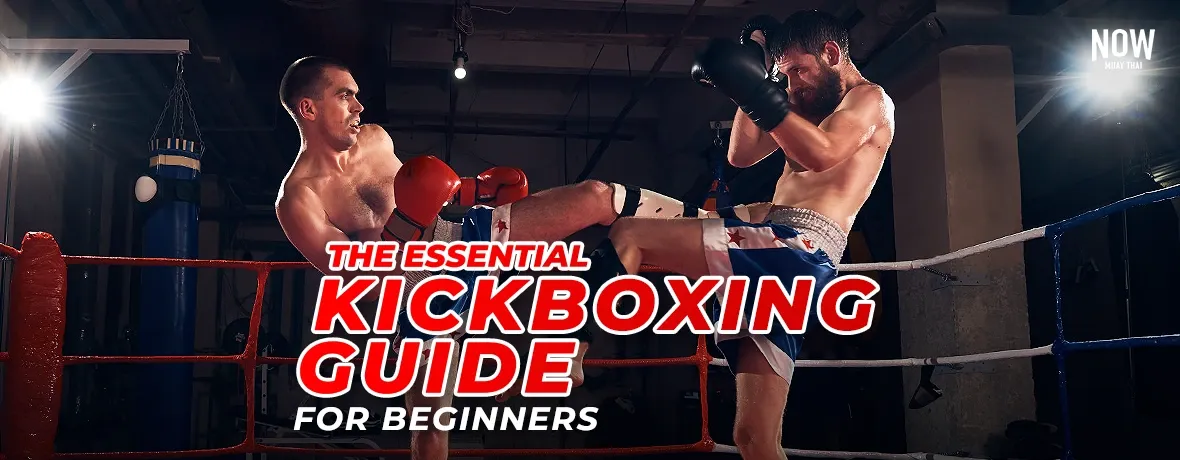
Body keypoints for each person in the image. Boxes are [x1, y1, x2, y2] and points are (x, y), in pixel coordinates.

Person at [273, 56, 734, 459]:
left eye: (356, 97)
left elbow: (424, 194)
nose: (359, 107)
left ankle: (725, 227)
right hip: (416, 296)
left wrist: (475, 190)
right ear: (308, 108)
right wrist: (407, 224)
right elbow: (356, 278)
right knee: (432, 430)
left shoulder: (375, 139)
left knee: (595, 196)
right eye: (345, 97)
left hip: (462, 237)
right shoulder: (298, 200)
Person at [581, 10, 896, 459]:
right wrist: (752, 77)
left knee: (629, 232)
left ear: (830, 54)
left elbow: (821, 155)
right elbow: (742, 154)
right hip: (780, 260)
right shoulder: (805, 106)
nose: (794, 84)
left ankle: (572, 350)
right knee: (755, 437)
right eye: (783, 75)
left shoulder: (870, 99)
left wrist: (754, 87)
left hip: (794, 249)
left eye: (799, 70)